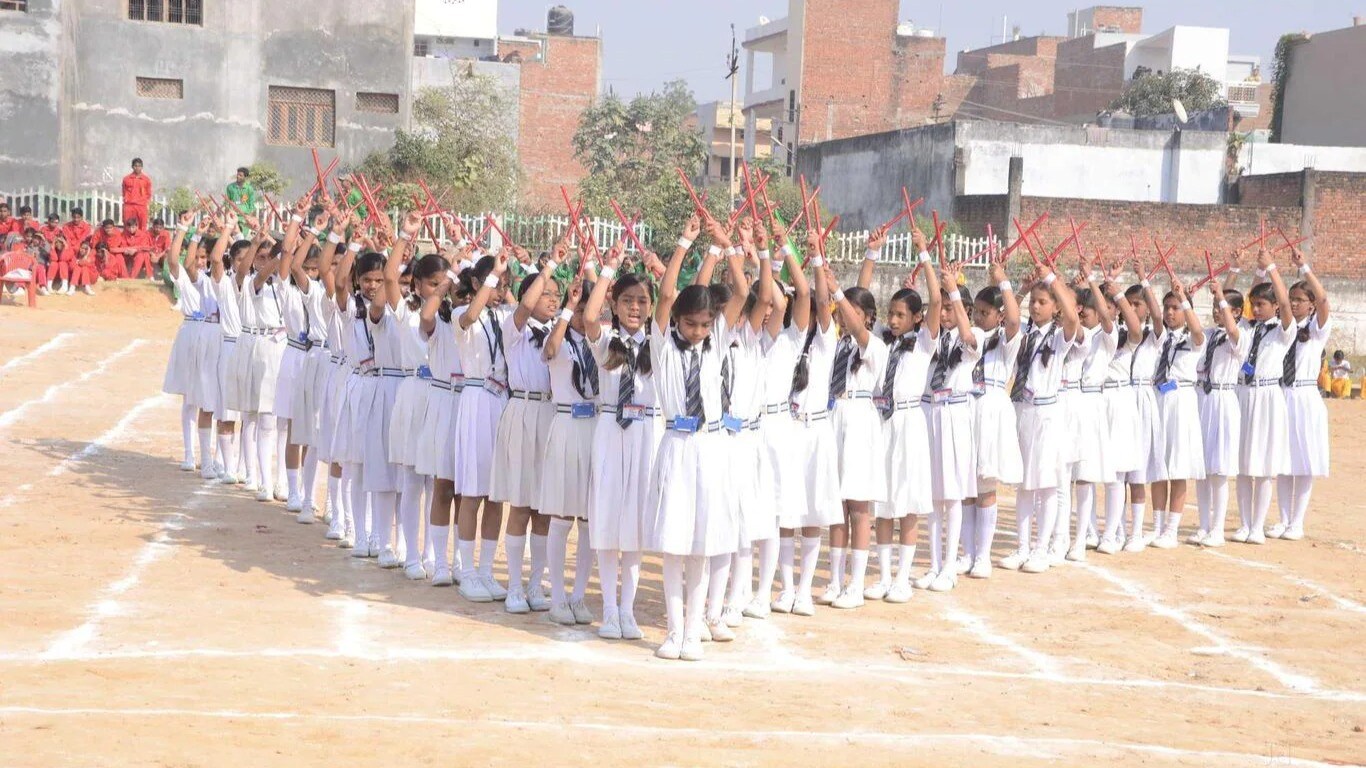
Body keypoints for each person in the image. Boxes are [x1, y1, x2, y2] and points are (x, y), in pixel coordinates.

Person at [646, 214, 745, 662]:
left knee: (702, 544)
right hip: (676, 446)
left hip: (710, 447)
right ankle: (672, 630)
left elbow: (739, 293)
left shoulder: (716, 343)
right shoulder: (663, 346)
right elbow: (667, 294)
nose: (698, 331)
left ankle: (692, 631)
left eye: (705, 324)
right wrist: (685, 243)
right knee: (674, 543)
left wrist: (726, 246)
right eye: (691, 325)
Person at [489, 244, 560, 613]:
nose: (552, 299)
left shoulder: (558, 331)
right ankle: (514, 585)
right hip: (522, 410)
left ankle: (535, 583)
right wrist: (547, 270)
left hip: (550, 415)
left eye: (555, 294)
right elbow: (526, 306)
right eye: (545, 293)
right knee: (520, 504)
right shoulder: (513, 328)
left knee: (544, 508)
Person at [1234, 247, 1295, 544]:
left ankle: (1258, 526)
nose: (1256, 309)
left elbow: (1285, 302)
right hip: (1244, 394)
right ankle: (1244, 524)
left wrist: (1271, 267)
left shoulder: (1283, 331)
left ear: (1273, 307)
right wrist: (1256, 270)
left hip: (1268, 396)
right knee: (1243, 466)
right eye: (1254, 304)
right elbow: (1244, 299)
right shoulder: (1247, 328)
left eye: (1261, 304)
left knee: (1264, 466)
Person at [1275, 247, 1331, 541]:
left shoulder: (1317, 329)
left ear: (1310, 306)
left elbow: (1324, 299)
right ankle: (1283, 519)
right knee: (1283, 460)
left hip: (1305, 396)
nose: (1294, 304)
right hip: (1282, 394)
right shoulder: (1281, 328)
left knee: (1304, 460)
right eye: (1292, 299)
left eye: (1300, 300)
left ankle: (1297, 522)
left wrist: (1305, 267)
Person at [1192, 282, 1248, 548]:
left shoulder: (1239, 336)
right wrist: (1187, 298)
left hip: (1224, 399)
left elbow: (1233, 330)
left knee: (1220, 468)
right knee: (1202, 469)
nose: (1216, 311)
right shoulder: (1208, 335)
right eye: (1214, 306)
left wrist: (1221, 297)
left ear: (1236, 311)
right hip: (1203, 398)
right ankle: (1203, 525)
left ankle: (1217, 528)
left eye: (1221, 307)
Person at [122, 158, 153, 229]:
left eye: (139, 166)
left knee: (142, 226)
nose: (137, 168)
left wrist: (144, 202)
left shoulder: (146, 180)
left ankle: (141, 237)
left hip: (141, 206)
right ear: (132, 167)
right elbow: (124, 192)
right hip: (129, 206)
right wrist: (127, 199)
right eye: (135, 166)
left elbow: (148, 194)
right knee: (128, 225)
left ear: (142, 167)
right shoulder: (126, 179)